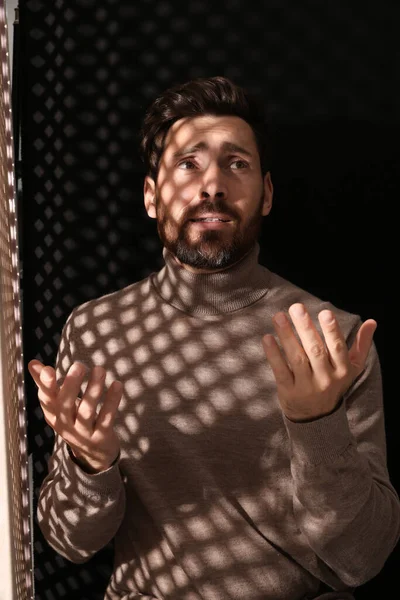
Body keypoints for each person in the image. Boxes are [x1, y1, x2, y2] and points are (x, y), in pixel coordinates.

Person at [28, 76, 399, 600]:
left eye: (237, 163)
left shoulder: (329, 337)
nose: (212, 185)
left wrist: (318, 423)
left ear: (266, 194)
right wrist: (92, 462)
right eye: (188, 164)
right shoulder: (97, 331)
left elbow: (364, 558)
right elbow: (68, 542)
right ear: (152, 197)